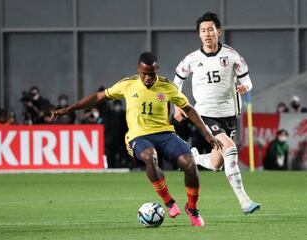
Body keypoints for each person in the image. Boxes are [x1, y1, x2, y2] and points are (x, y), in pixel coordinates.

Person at [52, 52, 223, 227]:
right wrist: (71, 108)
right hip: (138, 136)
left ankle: (192, 209)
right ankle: (169, 202)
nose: (148, 78)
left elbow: (189, 110)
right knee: (150, 157)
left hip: (165, 134)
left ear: (157, 71)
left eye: (152, 74)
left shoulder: (168, 87)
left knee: (190, 164)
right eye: (144, 74)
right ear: (138, 70)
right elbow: (98, 97)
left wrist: (208, 134)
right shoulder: (128, 84)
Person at [173, 12, 260, 214]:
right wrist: (177, 105)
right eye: (203, 31)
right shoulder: (191, 60)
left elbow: (247, 79)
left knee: (216, 163)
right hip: (205, 114)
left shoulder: (231, 55)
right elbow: (177, 81)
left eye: (210, 29)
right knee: (230, 149)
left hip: (229, 114)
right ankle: (245, 201)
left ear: (218, 32)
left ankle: (194, 158)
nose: (207, 34)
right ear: (199, 35)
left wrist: (246, 87)